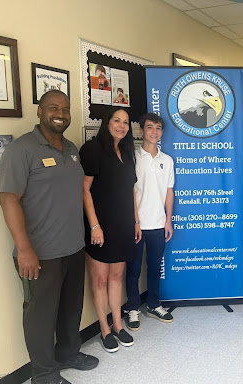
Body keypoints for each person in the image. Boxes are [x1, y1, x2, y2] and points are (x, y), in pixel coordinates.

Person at [0, 90, 98, 384]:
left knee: (70, 308)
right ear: (39, 111)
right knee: (40, 317)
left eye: (66, 109)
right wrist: (24, 249)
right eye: (53, 107)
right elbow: (8, 200)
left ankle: (68, 352)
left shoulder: (71, 149)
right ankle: (44, 375)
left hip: (73, 247)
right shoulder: (22, 150)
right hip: (39, 254)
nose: (61, 113)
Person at [79, 107, 140, 353]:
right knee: (100, 279)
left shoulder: (127, 151)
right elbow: (84, 190)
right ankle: (104, 329)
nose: (121, 126)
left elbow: (131, 191)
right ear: (107, 123)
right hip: (100, 227)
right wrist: (94, 226)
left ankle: (117, 324)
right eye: (117, 120)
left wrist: (136, 221)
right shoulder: (92, 150)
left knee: (116, 278)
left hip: (123, 225)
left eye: (125, 122)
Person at [125, 113, 175, 330]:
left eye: (158, 128)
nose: (154, 132)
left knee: (155, 268)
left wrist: (168, 221)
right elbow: (129, 192)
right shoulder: (132, 158)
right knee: (133, 269)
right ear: (141, 131)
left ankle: (154, 304)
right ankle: (133, 307)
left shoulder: (167, 160)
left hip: (158, 223)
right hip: (136, 224)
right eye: (149, 127)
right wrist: (135, 221)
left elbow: (169, 192)